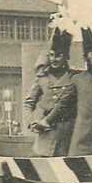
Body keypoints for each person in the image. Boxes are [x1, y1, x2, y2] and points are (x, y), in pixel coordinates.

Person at [48, 26, 92, 155]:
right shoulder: (78, 79)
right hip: (83, 137)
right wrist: (47, 120)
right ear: (86, 57)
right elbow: (63, 103)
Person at [26, 28, 77, 156]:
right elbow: (29, 103)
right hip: (46, 131)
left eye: (59, 55)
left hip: (68, 130)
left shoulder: (74, 77)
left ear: (66, 57)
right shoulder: (42, 78)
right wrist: (32, 122)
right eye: (52, 55)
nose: (55, 59)